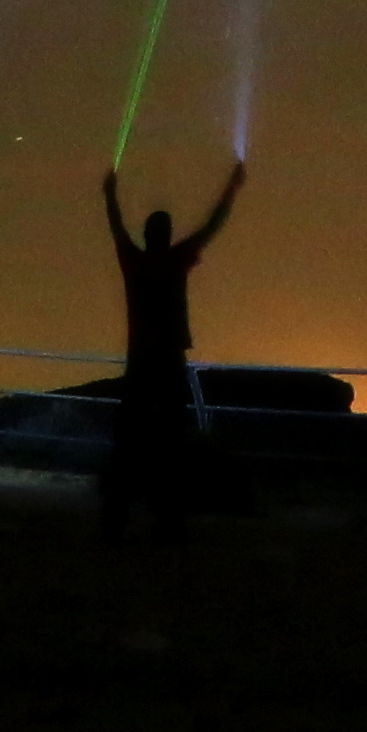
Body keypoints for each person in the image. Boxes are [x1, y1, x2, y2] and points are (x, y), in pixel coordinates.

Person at [94, 157, 245, 543]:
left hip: (140, 360)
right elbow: (213, 225)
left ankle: (116, 518)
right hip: (169, 360)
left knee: (128, 442)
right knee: (171, 443)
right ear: (168, 234)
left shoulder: (134, 261)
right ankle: (169, 520)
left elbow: (115, 227)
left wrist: (110, 194)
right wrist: (232, 187)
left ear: (147, 234)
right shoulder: (176, 260)